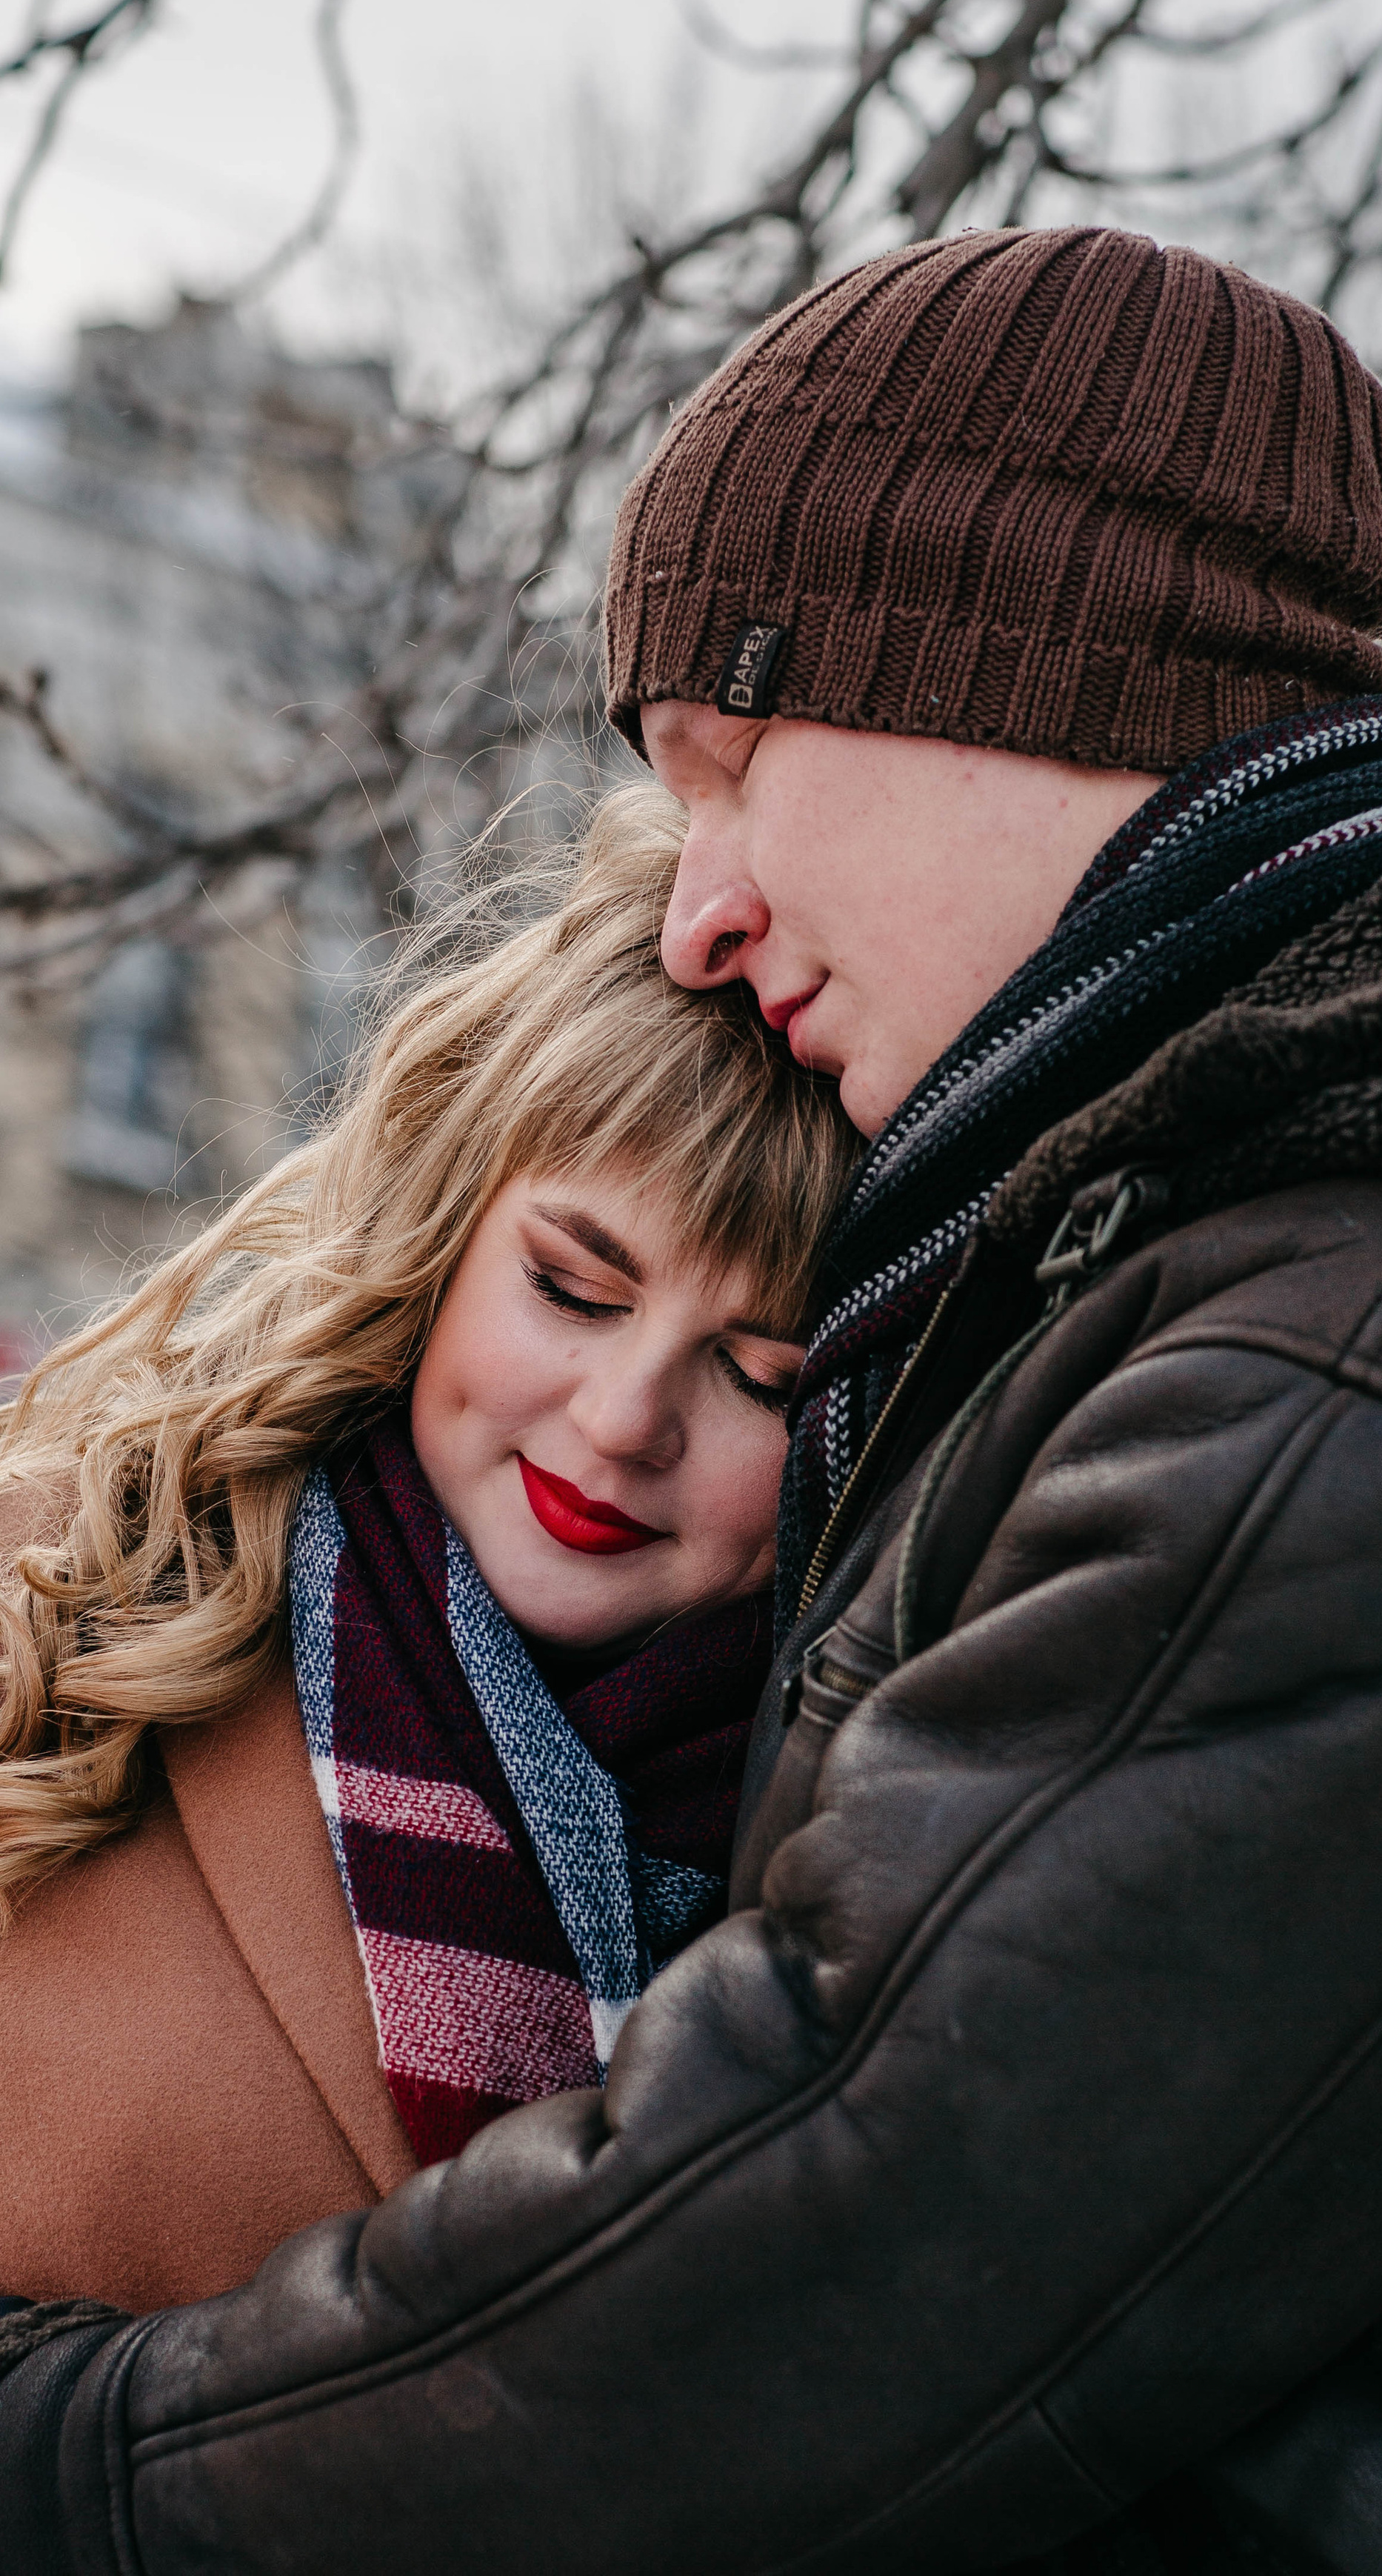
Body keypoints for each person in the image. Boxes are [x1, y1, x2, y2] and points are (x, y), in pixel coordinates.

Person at [7, 224, 1382, 2576]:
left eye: (732, 766)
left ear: (995, 681)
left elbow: (791, 2279)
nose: (696, 910)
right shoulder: (1291, 1268)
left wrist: (62, 2458)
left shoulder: (1355, 1373)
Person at [0, 784, 853, 2309]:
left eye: (755, 1379)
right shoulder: (58, 1588)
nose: (621, 1420)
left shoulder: (873, 1845)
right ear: (445, 1234)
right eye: (573, 1290)